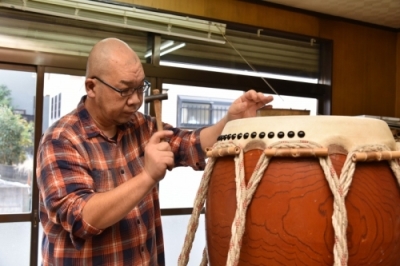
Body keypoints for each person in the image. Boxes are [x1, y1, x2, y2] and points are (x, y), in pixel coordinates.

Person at [36, 37, 273, 266]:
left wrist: (229, 122)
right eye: (125, 90)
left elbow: (190, 144)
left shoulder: (142, 126)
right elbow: (81, 218)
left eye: (141, 88)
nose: (136, 100)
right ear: (91, 87)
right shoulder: (61, 139)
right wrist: (147, 176)